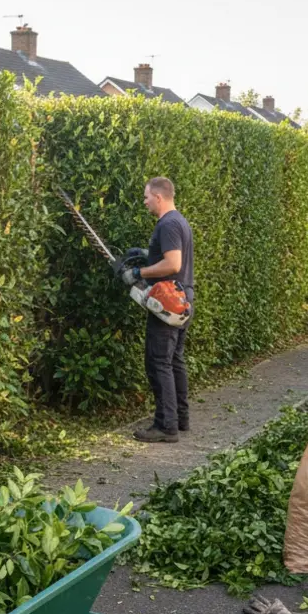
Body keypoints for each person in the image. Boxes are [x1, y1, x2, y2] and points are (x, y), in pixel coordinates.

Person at [120, 177, 194, 443]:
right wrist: (148, 253)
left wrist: (140, 272)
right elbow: (170, 256)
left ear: (159, 197)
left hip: (168, 302)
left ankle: (165, 426)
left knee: (158, 362)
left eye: (146, 197)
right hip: (183, 298)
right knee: (174, 361)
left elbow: (173, 264)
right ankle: (180, 418)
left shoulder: (168, 224)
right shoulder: (179, 221)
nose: (145, 201)